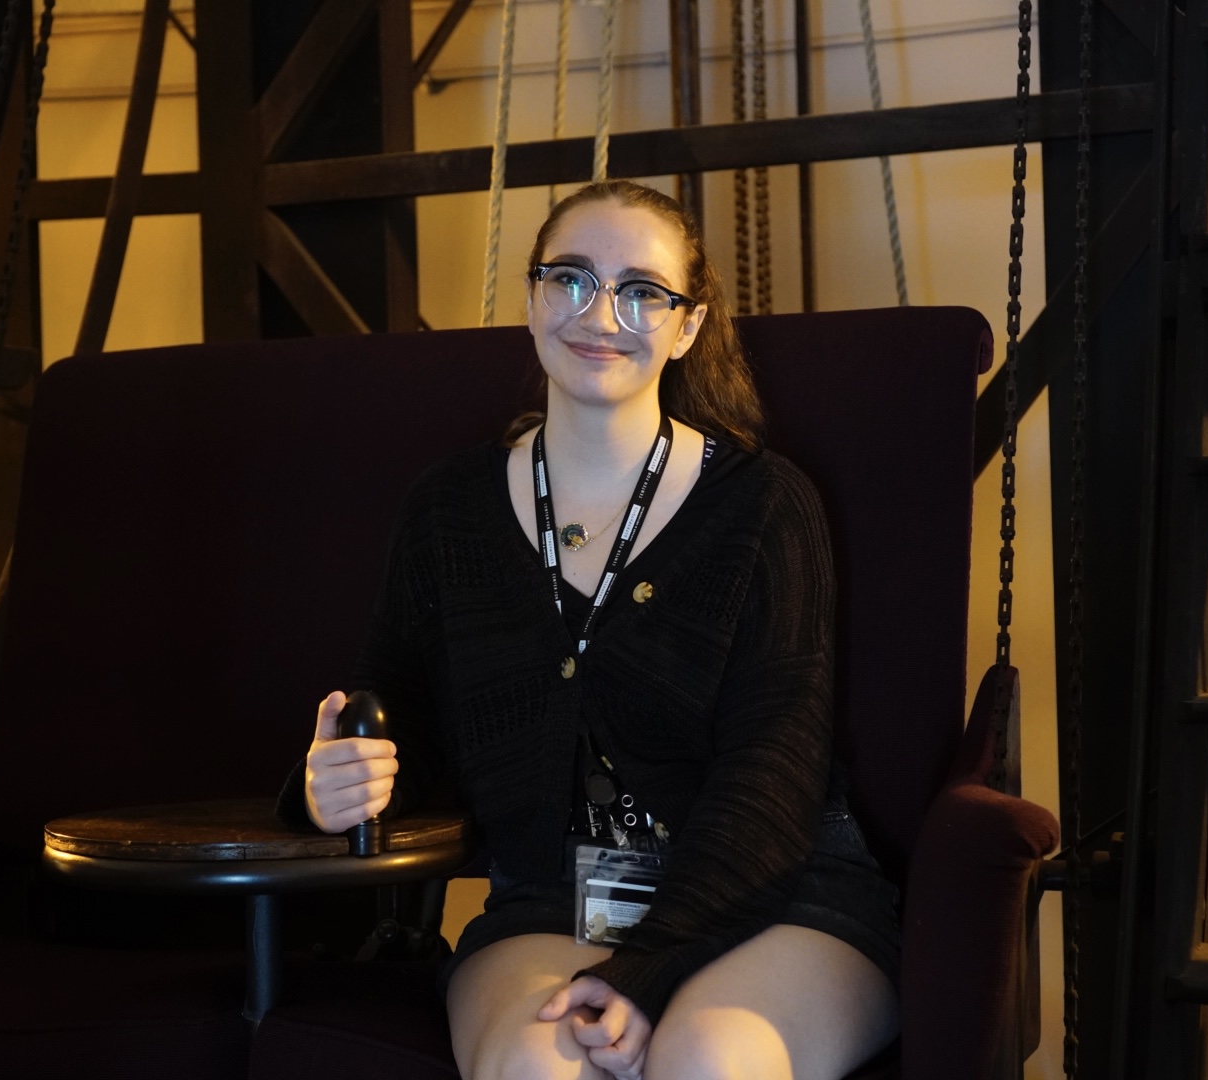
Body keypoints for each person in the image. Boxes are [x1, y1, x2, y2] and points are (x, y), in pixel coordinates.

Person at [283, 179, 900, 1080]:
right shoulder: (447, 510)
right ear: (532, 298)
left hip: (779, 899)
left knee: (706, 1061)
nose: (600, 314)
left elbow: (777, 768)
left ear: (687, 326)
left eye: (642, 290)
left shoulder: (766, 505)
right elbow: (400, 718)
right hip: (551, 903)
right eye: (570, 278)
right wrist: (335, 785)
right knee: (542, 1066)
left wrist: (649, 967)